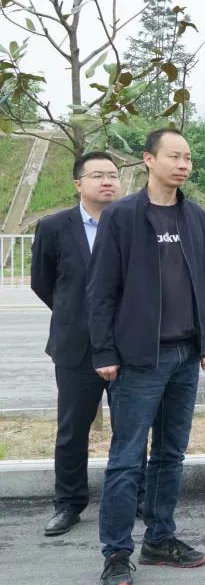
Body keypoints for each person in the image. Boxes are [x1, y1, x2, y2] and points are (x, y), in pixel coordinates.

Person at [88, 128, 205, 585]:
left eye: (188, 158)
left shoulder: (195, 217)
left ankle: (160, 538)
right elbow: (101, 289)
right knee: (127, 458)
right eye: (174, 156)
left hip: (186, 354)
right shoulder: (122, 216)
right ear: (148, 159)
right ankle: (116, 554)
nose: (183, 165)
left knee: (170, 454)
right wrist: (104, 350)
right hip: (139, 358)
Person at [31, 152, 120, 536]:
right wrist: (74, 314)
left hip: (126, 345)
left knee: (131, 429)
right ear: (78, 183)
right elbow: (42, 282)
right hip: (75, 346)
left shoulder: (131, 224)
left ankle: (131, 497)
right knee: (72, 430)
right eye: (98, 175)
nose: (107, 181)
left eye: (113, 175)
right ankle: (68, 503)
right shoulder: (54, 227)